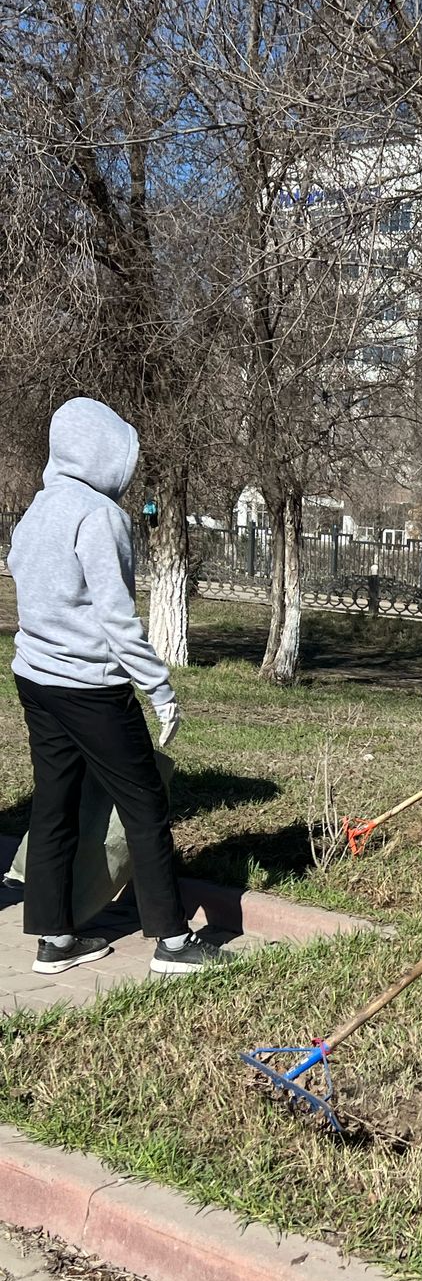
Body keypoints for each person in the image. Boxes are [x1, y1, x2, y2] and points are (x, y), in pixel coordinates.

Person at [7, 397, 225, 975]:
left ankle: (54, 938)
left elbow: (24, 580)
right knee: (145, 804)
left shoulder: (38, 509)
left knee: (53, 805)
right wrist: (160, 690)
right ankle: (173, 942)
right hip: (90, 688)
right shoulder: (100, 515)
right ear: (103, 452)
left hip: (35, 679)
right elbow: (117, 619)